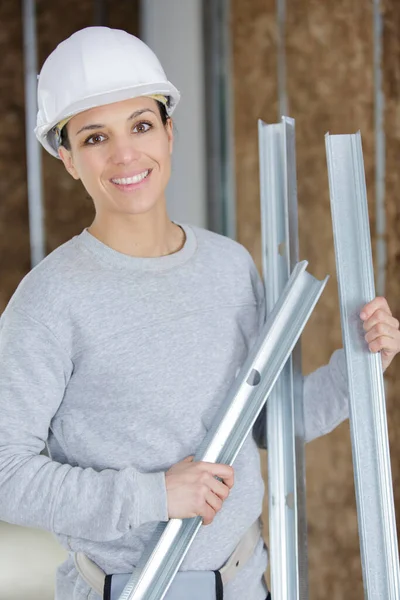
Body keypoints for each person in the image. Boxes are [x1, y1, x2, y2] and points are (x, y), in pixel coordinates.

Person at [0, 26, 399, 600]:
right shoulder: (50, 299)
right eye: (94, 138)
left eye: (141, 125)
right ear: (66, 159)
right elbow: (8, 474)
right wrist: (154, 495)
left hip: (247, 582)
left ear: (169, 131)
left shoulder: (229, 266)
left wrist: (360, 365)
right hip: (128, 589)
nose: (125, 154)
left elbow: (268, 423)